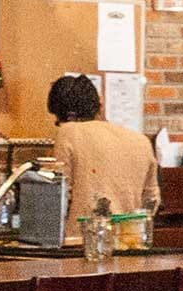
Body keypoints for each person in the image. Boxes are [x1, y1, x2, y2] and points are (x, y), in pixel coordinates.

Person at [46, 72, 157, 241]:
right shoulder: (141, 141)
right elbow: (151, 200)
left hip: (82, 243)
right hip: (129, 243)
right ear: (99, 106)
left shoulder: (68, 132)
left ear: (69, 117)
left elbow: (58, 195)